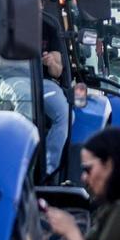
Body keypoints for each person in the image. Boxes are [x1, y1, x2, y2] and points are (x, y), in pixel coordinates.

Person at [40, 44, 70, 177]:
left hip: (44, 82)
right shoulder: (6, 26)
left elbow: (57, 71)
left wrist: (50, 62)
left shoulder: (49, 27)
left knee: (66, 114)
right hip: (14, 77)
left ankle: (48, 172)